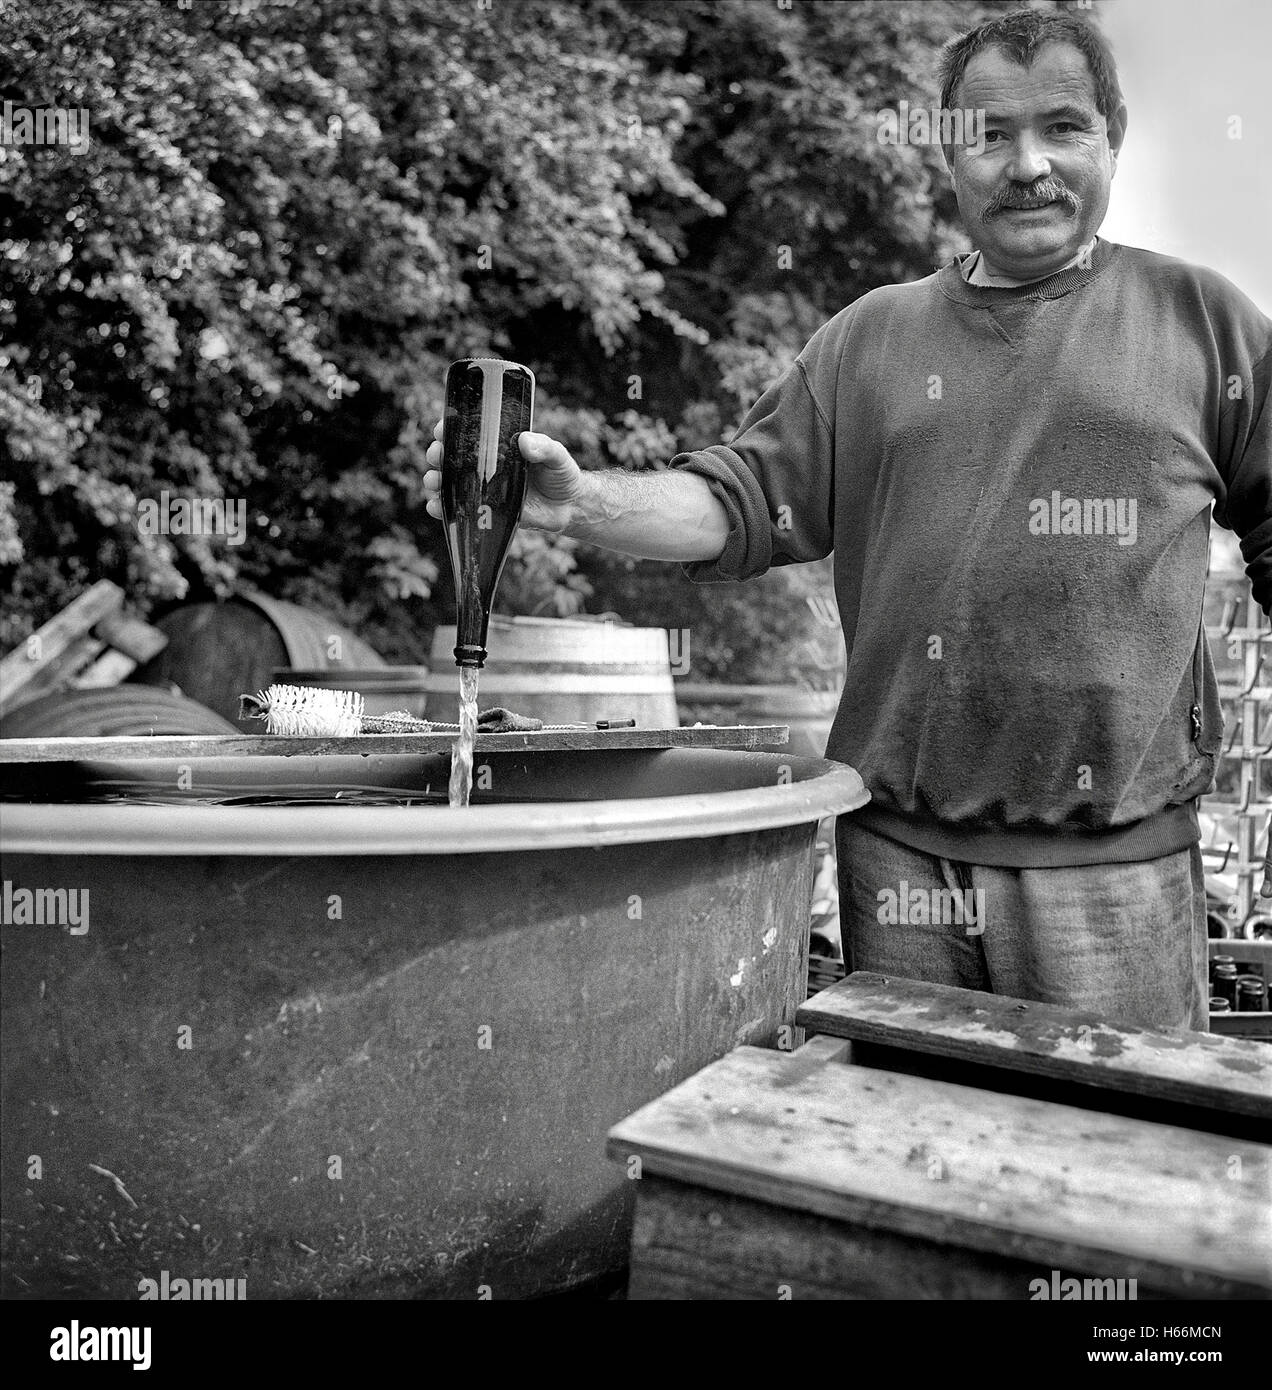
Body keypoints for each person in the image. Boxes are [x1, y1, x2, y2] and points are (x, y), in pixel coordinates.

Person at [423, 8, 1271, 1031]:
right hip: (897, 860)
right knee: (894, 1159)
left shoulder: (1202, 321)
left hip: (1116, 870)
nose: (1027, 164)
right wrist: (576, 499)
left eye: (1062, 127)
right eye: (989, 134)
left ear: (1113, 139)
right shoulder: (870, 339)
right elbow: (734, 502)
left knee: (1115, 1170)